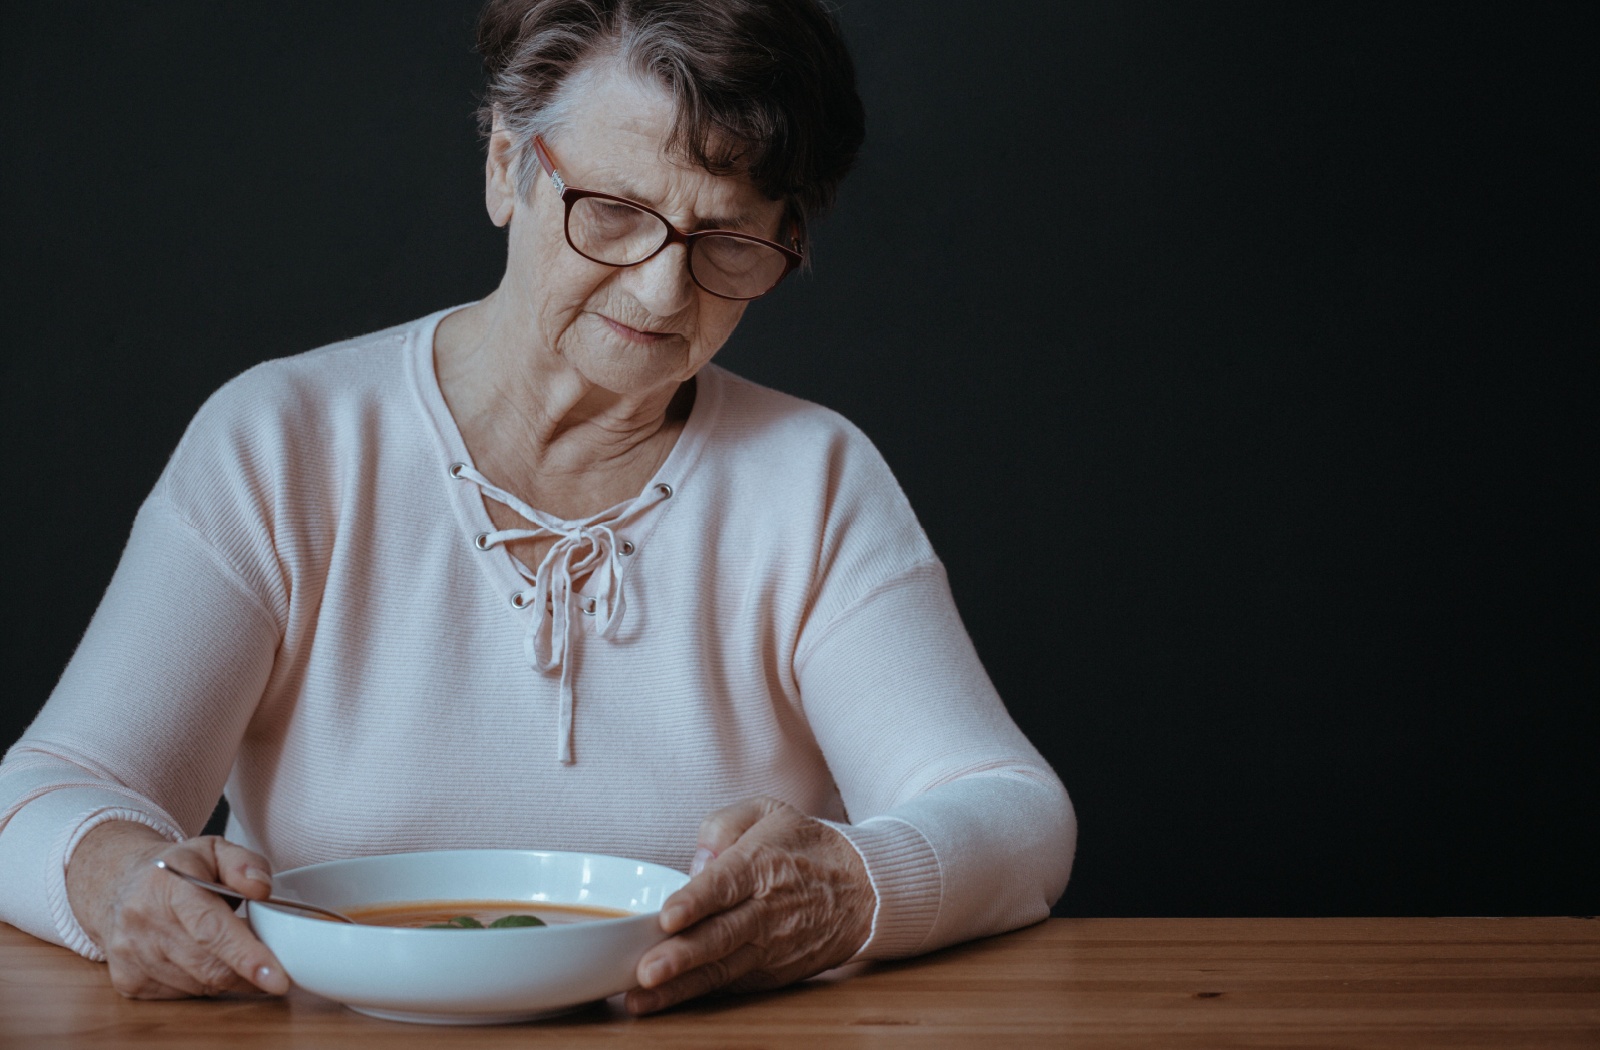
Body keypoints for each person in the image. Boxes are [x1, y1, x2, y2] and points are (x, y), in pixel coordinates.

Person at [0, 0, 1075, 1014]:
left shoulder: (811, 477)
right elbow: (49, 789)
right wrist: (117, 882)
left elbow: (1017, 817)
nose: (661, 294)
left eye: (729, 242)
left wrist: (847, 884)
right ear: (507, 166)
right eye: (613, 213)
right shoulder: (286, 442)